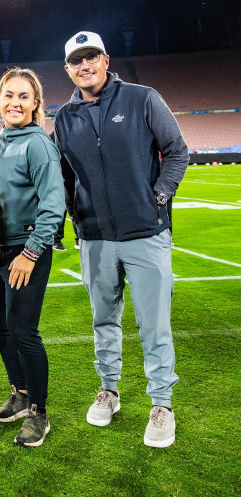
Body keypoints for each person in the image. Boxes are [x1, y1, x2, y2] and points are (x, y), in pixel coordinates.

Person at [53, 31, 188, 448]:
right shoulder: (63, 116)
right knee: (103, 321)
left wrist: (158, 197)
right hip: (95, 239)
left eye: (91, 56)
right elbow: (64, 177)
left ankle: (162, 404)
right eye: (77, 60)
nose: (85, 65)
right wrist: (77, 220)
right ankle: (109, 390)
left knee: (154, 324)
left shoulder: (143, 97)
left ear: (106, 60)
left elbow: (177, 151)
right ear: (68, 69)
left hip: (146, 234)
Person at [0, 68, 65, 447]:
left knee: (23, 331)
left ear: (35, 104)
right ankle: (21, 395)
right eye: (9, 95)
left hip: (22, 251)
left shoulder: (39, 144)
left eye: (24, 96)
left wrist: (30, 253)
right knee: (3, 329)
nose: (15, 102)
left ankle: (39, 413)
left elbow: (54, 205)